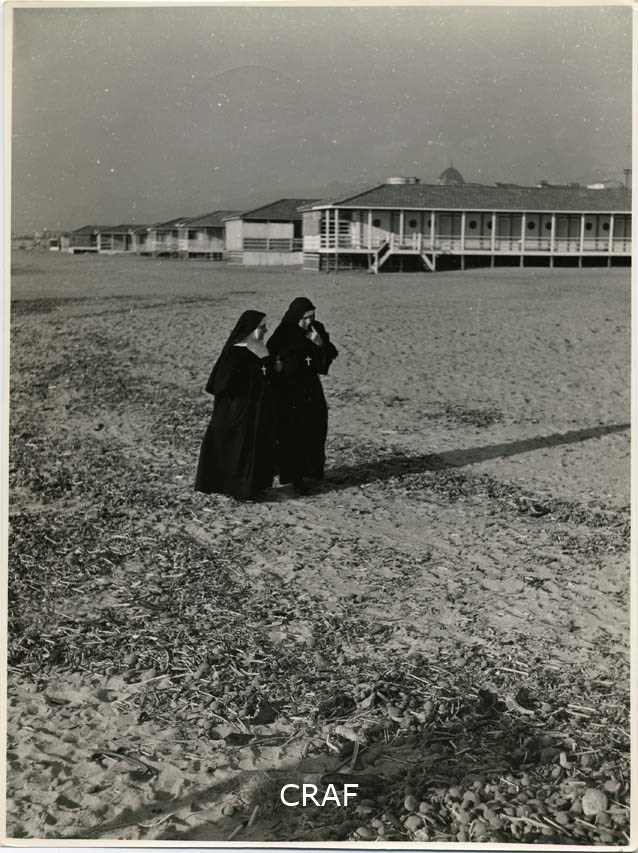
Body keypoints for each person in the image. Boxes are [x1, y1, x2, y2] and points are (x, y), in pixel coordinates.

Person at [195, 310, 276, 501]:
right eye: (262, 327)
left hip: (254, 409)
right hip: (236, 411)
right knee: (236, 448)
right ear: (251, 329)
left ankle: (252, 488)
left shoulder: (260, 348)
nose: (265, 330)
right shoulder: (234, 353)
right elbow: (222, 384)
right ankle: (236, 489)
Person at [267, 297, 338, 494]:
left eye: (312, 316)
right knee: (293, 433)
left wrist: (320, 344)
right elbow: (272, 356)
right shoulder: (284, 332)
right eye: (305, 318)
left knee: (315, 427)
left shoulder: (316, 329)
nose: (308, 321)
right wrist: (276, 367)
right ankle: (294, 478)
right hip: (289, 390)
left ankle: (312, 472)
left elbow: (328, 356)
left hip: (310, 388)